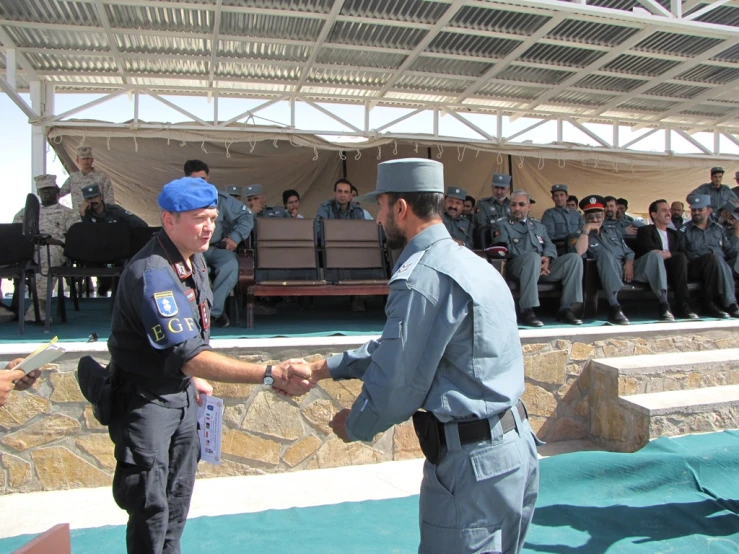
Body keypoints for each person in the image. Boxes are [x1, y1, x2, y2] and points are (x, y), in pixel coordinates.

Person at [303, 158, 538, 554]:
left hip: (472, 469)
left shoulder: (422, 276)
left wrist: (356, 424)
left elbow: (399, 380)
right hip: (516, 451)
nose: (377, 218)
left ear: (400, 208)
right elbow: (404, 347)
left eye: (380, 207)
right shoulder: (472, 263)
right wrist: (323, 368)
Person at [106, 176, 312, 554]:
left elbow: (192, 340)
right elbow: (188, 354)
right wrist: (270, 373)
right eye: (199, 218)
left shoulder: (193, 260)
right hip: (145, 401)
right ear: (169, 221)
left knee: (178, 498)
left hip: (180, 394)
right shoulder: (154, 273)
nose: (209, 227)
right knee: (151, 507)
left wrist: (194, 378)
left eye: (213, 218)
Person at [570, 195, 667, 325]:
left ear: (603, 216)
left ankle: (664, 304)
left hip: (625, 269)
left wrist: (629, 262)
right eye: (590, 216)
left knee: (654, 256)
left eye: (598, 215)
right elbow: (578, 253)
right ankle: (614, 307)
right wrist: (586, 230)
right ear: (584, 218)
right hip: (602, 274)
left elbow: (628, 251)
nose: (595, 219)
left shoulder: (614, 231)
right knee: (605, 255)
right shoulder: (578, 235)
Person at [492, 190, 583, 327]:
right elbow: (505, 248)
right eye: (513, 205)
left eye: (521, 204)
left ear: (529, 206)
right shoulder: (502, 224)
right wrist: (536, 259)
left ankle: (566, 309)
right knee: (533, 257)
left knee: (574, 259)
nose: (517, 208)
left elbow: (549, 245)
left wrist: (547, 257)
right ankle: (526, 310)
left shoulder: (538, 225)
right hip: (517, 267)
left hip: (541, 267)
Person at [184, 160, 255, 328]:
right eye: (195, 181)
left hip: (215, 247)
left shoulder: (220, 199)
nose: (200, 184)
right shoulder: (180, 199)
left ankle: (212, 312)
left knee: (230, 263)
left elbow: (247, 216)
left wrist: (235, 238)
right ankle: (201, 312)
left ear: (208, 178)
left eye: (203, 179)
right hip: (191, 249)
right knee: (200, 270)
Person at [13, 174, 80, 322]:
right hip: (29, 251)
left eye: (49, 189)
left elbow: (75, 238)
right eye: (43, 190)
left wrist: (56, 241)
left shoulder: (69, 213)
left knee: (47, 254)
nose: (46, 193)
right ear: (38, 193)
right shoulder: (25, 213)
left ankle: (39, 306)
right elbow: (15, 233)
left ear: (57, 191)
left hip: (55, 250)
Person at [633, 200, 698, 320]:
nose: (669, 213)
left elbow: (684, 253)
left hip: (672, 270)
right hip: (650, 270)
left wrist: (668, 254)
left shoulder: (675, 234)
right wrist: (669, 254)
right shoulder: (645, 231)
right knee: (657, 257)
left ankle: (683, 305)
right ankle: (664, 305)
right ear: (654, 215)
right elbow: (650, 252)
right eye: (664, 210)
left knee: (680, 258)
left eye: (669, 210)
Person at [79, 183, 148, 296]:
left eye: (95, 197)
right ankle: (106, 283)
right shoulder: (86, 214)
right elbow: (86, 236)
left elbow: (141, 225)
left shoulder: (115, 211)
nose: (93, 200)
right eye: (89, 199)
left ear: (101, 197)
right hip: (98, 254)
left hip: (118, 252)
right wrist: (83, 215)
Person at [681, 194, 739, 317]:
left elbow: (728, 250)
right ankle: (730, 304)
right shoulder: (684, 230)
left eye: (700, 210)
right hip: (697, 266)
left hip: (720, 265)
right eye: (693, 210)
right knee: (714, 258)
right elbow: (682, 254)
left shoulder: (718, 229)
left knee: (723, 260)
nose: (696, 213)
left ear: (709, 210)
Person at [60, 146, 115, 213]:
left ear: (92, 160)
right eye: (83, 159)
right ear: (78, 160)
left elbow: (109, 199)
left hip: (98, 216)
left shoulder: (102, 177)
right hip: (79, 217)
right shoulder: (73, 178)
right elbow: (59, 193)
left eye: (88, 158)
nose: (86, 161)